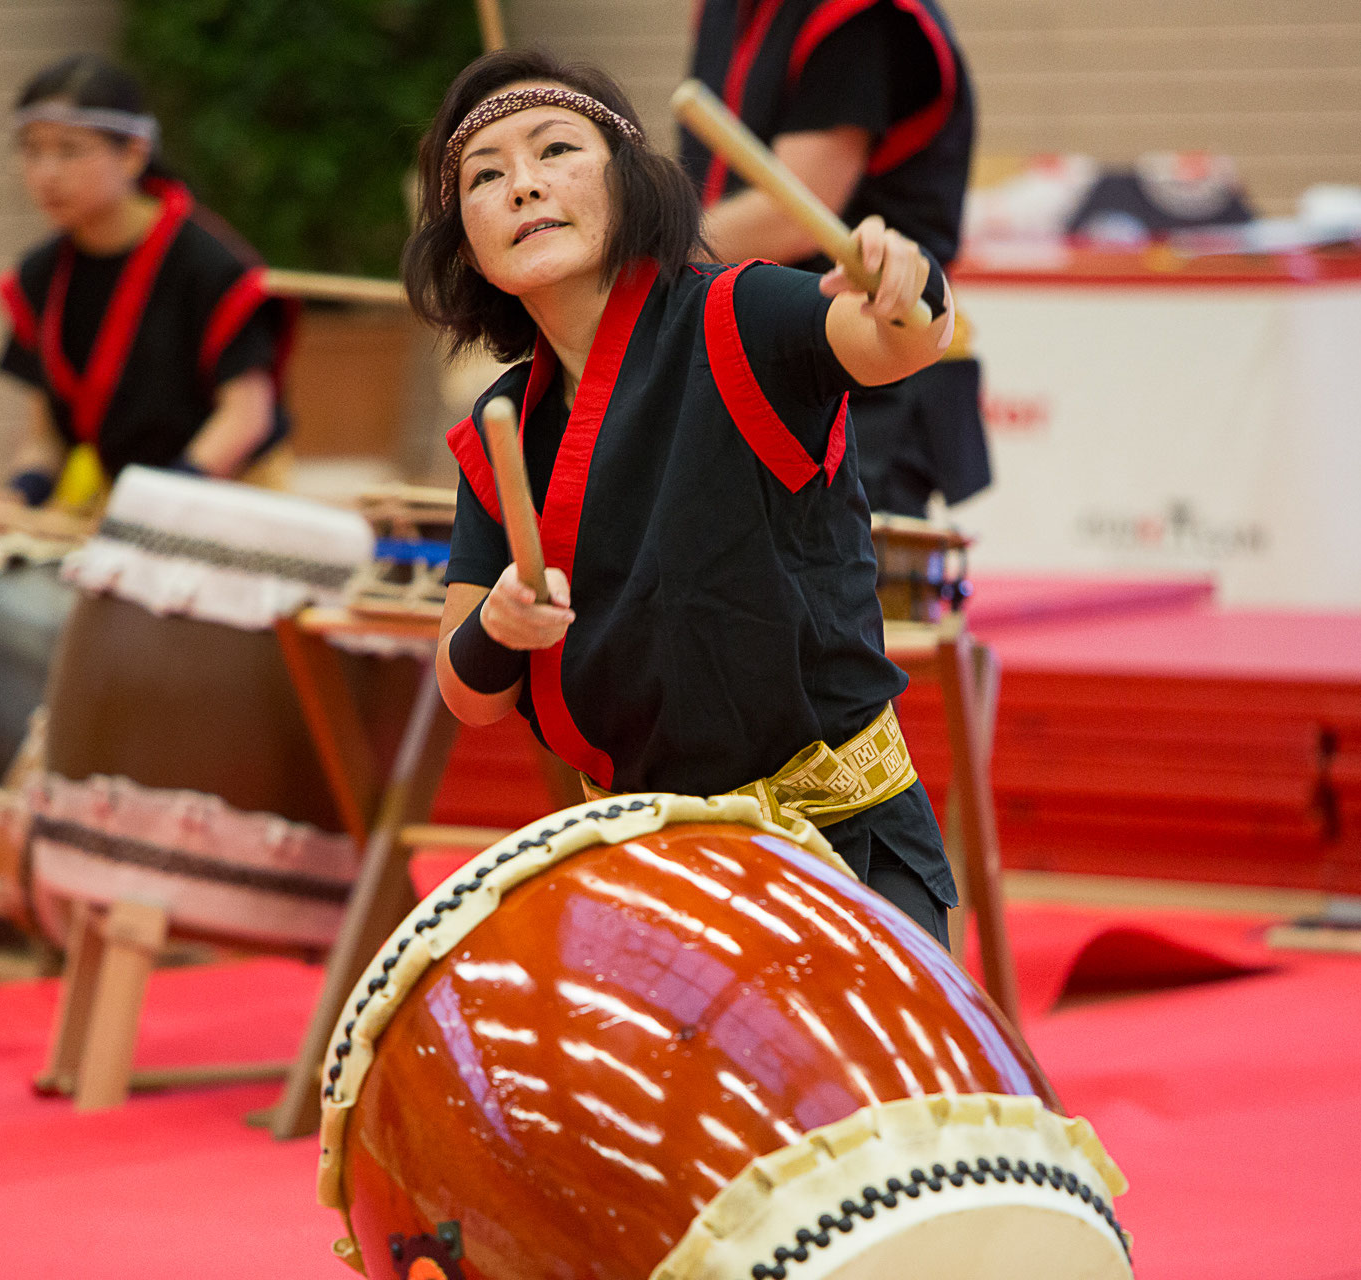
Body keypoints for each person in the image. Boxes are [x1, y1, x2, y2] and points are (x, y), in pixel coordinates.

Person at [410, 50, 959, 943]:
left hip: (840, 850)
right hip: (650, 871)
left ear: (630, 179)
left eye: (555, 149)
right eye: (484, 175)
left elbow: (901, 342)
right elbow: (469, 694)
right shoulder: (502, 426)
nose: (523, 185)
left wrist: (905, 282)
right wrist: (500, 627)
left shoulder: (737, 316)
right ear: (464, 242)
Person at [682, 0, 987, 518]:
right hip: (746, 371)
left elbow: (791, 218)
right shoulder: (727, 11)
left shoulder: (861, 17)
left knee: (853, 563)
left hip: (862, 381)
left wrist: (641, 248)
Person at [0, 54, 294, 511]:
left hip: (231, 494)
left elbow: (247, 417)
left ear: (133, 154)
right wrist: (19, 494)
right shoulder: (41, 276)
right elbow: (46, 435)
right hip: (127, 499)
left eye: (69, 150)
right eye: (32, 151)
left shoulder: (210, 265)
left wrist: (161, 502)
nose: (46, 173)